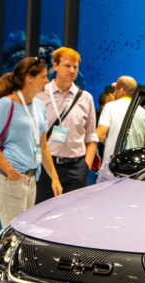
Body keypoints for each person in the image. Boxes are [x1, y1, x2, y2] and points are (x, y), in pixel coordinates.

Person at [0, 57, 63, 227]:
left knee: (24, 231)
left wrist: (54, 178)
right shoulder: (5, 105)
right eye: (43, 76)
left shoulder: (40, 106)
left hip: (31, 178)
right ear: (29, 78)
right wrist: (9, 170)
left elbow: (43, 146)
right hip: (11, 179)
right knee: (13, 233)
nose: (47, 81)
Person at [35, 46, 98, 203]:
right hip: (46, 166)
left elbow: (91, 137)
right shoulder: (40, 94)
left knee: (72, 213)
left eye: (75, 67)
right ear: (55, 66)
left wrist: (85, 167)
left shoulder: (86, 98)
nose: (72, 71)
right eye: (67, 66)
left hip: (76, 169)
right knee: (41, 212)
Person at [96, 76, 145, 181]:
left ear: (122, 90)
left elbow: (100, 135)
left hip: (112, 169)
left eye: (115, 90)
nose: (114, 93)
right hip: (136, 172)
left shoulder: (110, 107)